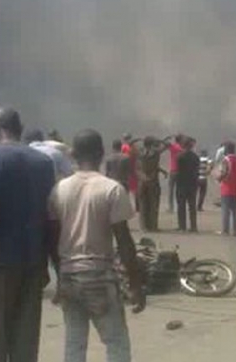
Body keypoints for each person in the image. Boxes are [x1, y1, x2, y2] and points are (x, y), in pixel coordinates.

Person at [0, 108, 56, 362]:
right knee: (26, 344)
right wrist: (49, 264)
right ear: (20, 128)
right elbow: (50, 218)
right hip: (33, 263)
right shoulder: (43, 162)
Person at [48, 129, 145, 362]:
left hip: (69, 276)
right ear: (101, 154)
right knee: (116, 343)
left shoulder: (59, 189)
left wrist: (60, 276)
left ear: (73, 155)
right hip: (100, 277)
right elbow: (124, 241)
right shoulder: (111, 189)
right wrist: (135, 284)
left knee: (74, 344)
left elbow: (52, 239)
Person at [132, 136, 169, 232]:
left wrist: (137, 139)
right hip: (153, 181)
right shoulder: (156, 153)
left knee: (142, 205)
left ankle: (143, 227)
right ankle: (153, 226)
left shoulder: (140, 152)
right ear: (152, 144)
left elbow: (130, 144)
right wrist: (160, 140)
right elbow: (167, 145)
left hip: (142, 181)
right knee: (153, 205)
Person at [175, 138, 200, 232]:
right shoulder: (195, 157)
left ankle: (182, 226)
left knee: (181, 206)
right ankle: (193, 226)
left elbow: (178, 170)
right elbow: (197, 170)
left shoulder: (180, 156)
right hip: (192, 183)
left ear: (183, 146)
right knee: (192, 206)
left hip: (182, 183)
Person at [218, 142, 236, 236]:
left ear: (226, 150)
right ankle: (235, 230)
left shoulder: (225, 160)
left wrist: (218, 178)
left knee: (225, 209)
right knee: (235, 210)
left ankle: (225, 230)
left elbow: (223, 173)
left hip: (226, 188)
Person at [166, 134, 184, 213]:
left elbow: (166, 144)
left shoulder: (173, 147)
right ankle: (179, 206)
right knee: (179, 190)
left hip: (173, 170)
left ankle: (171, 207)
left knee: (171, 190)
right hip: (180, 171)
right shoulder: (182, 148)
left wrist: (167, 138)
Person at [121, 134, 138, 209]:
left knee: (129, 190)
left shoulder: (124, 147)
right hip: (132, 170)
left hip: (129, 171)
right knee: (133, 190)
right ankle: (135, 207)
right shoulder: (132, 147)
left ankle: (130, 206)